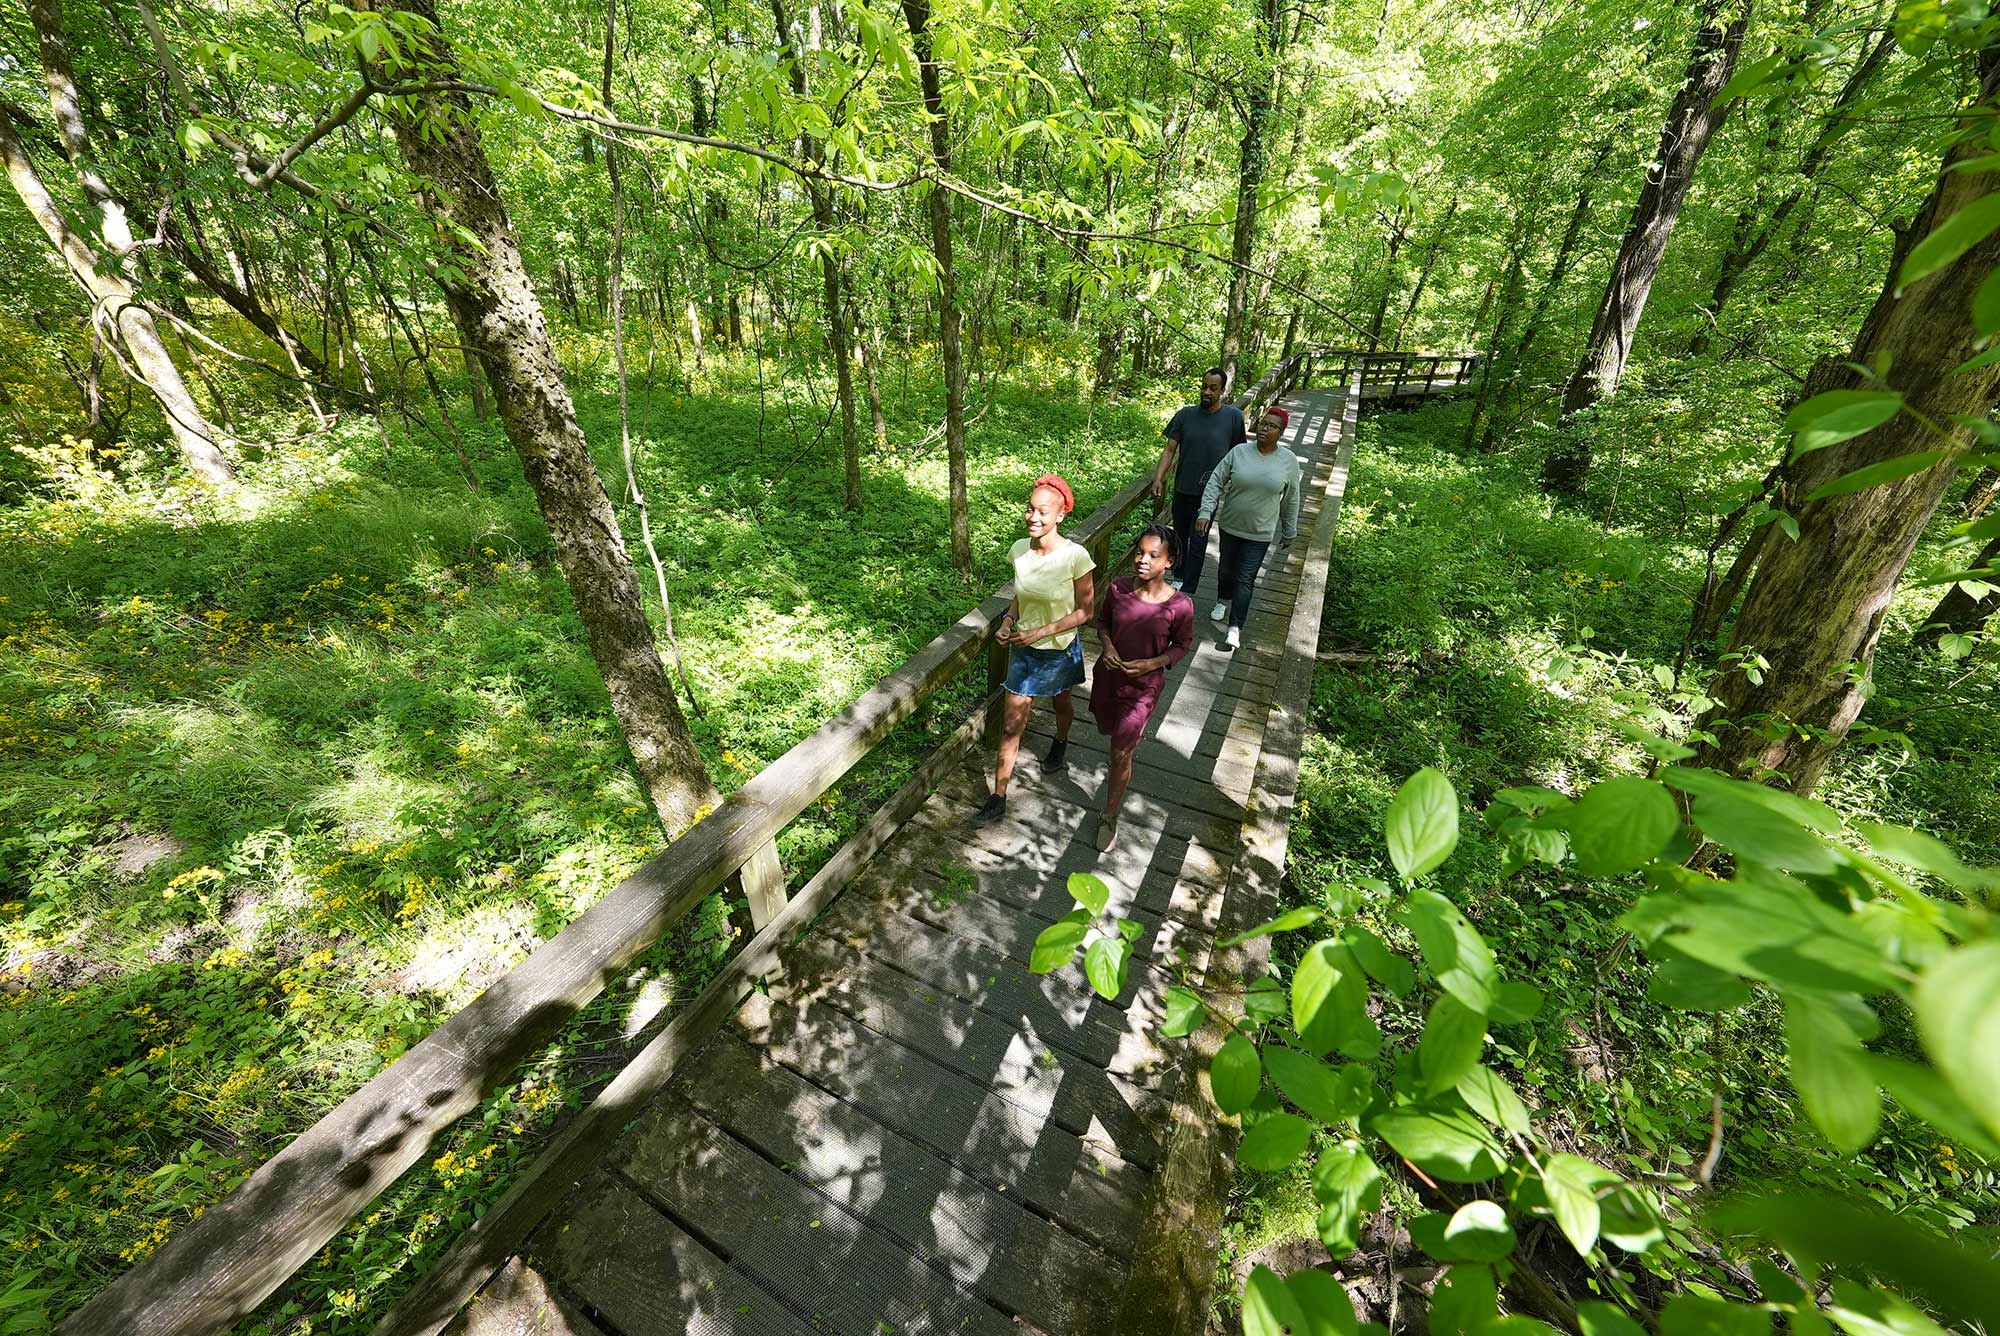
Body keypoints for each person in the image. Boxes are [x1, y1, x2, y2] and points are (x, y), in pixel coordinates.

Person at [974, 474, 1096, 827]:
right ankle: (998, 797)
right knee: (1012, 727)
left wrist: (1041, 631)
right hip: (1024, 650)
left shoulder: (1076, 557)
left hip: (1058, 649)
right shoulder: (1019, 551)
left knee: (1062, 704)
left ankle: (1060, 740)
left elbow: (1085, 612)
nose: (1033, 517)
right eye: (1030, 509)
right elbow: (1021, 597)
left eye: (1043, 511)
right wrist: (1009, 623)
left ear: (1060, 515)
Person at [1088, 525, 1194, 850]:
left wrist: (1153, 663)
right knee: (1110, 735)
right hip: (1109, 679)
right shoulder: (1118, 589)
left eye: (1153, 555)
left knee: (1121, 750)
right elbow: (1102, 622)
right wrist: (1107, 645)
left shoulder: (1180, 606)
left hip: (1144, 690)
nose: (1142, 560)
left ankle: (1109, 814)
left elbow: (1182, 645)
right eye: (1139, 552)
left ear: (1169, 562)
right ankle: (1119, 762)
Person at [1196, 405, 1301, 651]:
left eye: (1272, 426)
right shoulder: (1239, 452)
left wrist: (1289, 530)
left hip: (1261, 532)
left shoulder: (1288, 461)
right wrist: (1205, 512)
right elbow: (1215, 481)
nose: (1265, 428)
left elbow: (1292, 497)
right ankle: (1222, 599)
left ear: (1281, 432)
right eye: (1263, 423)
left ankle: (1235, 628)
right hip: (1231, 526)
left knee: (1245, 579)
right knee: (1226, 570)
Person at [1151, 367, 1247, 599]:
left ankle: (1190, 589)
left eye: (1213, 388)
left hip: (1210, 494)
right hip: (1183, 488)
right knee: (1180, 537)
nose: (1207, 392)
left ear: (1223, 391)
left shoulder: (1233, 418)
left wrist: (1235, 486)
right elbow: (1170, 449)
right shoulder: (1185, 415)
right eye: (1204, 386)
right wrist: (1158, 478)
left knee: (1199, 541)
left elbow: (1239, 455)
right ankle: (1180, 577)